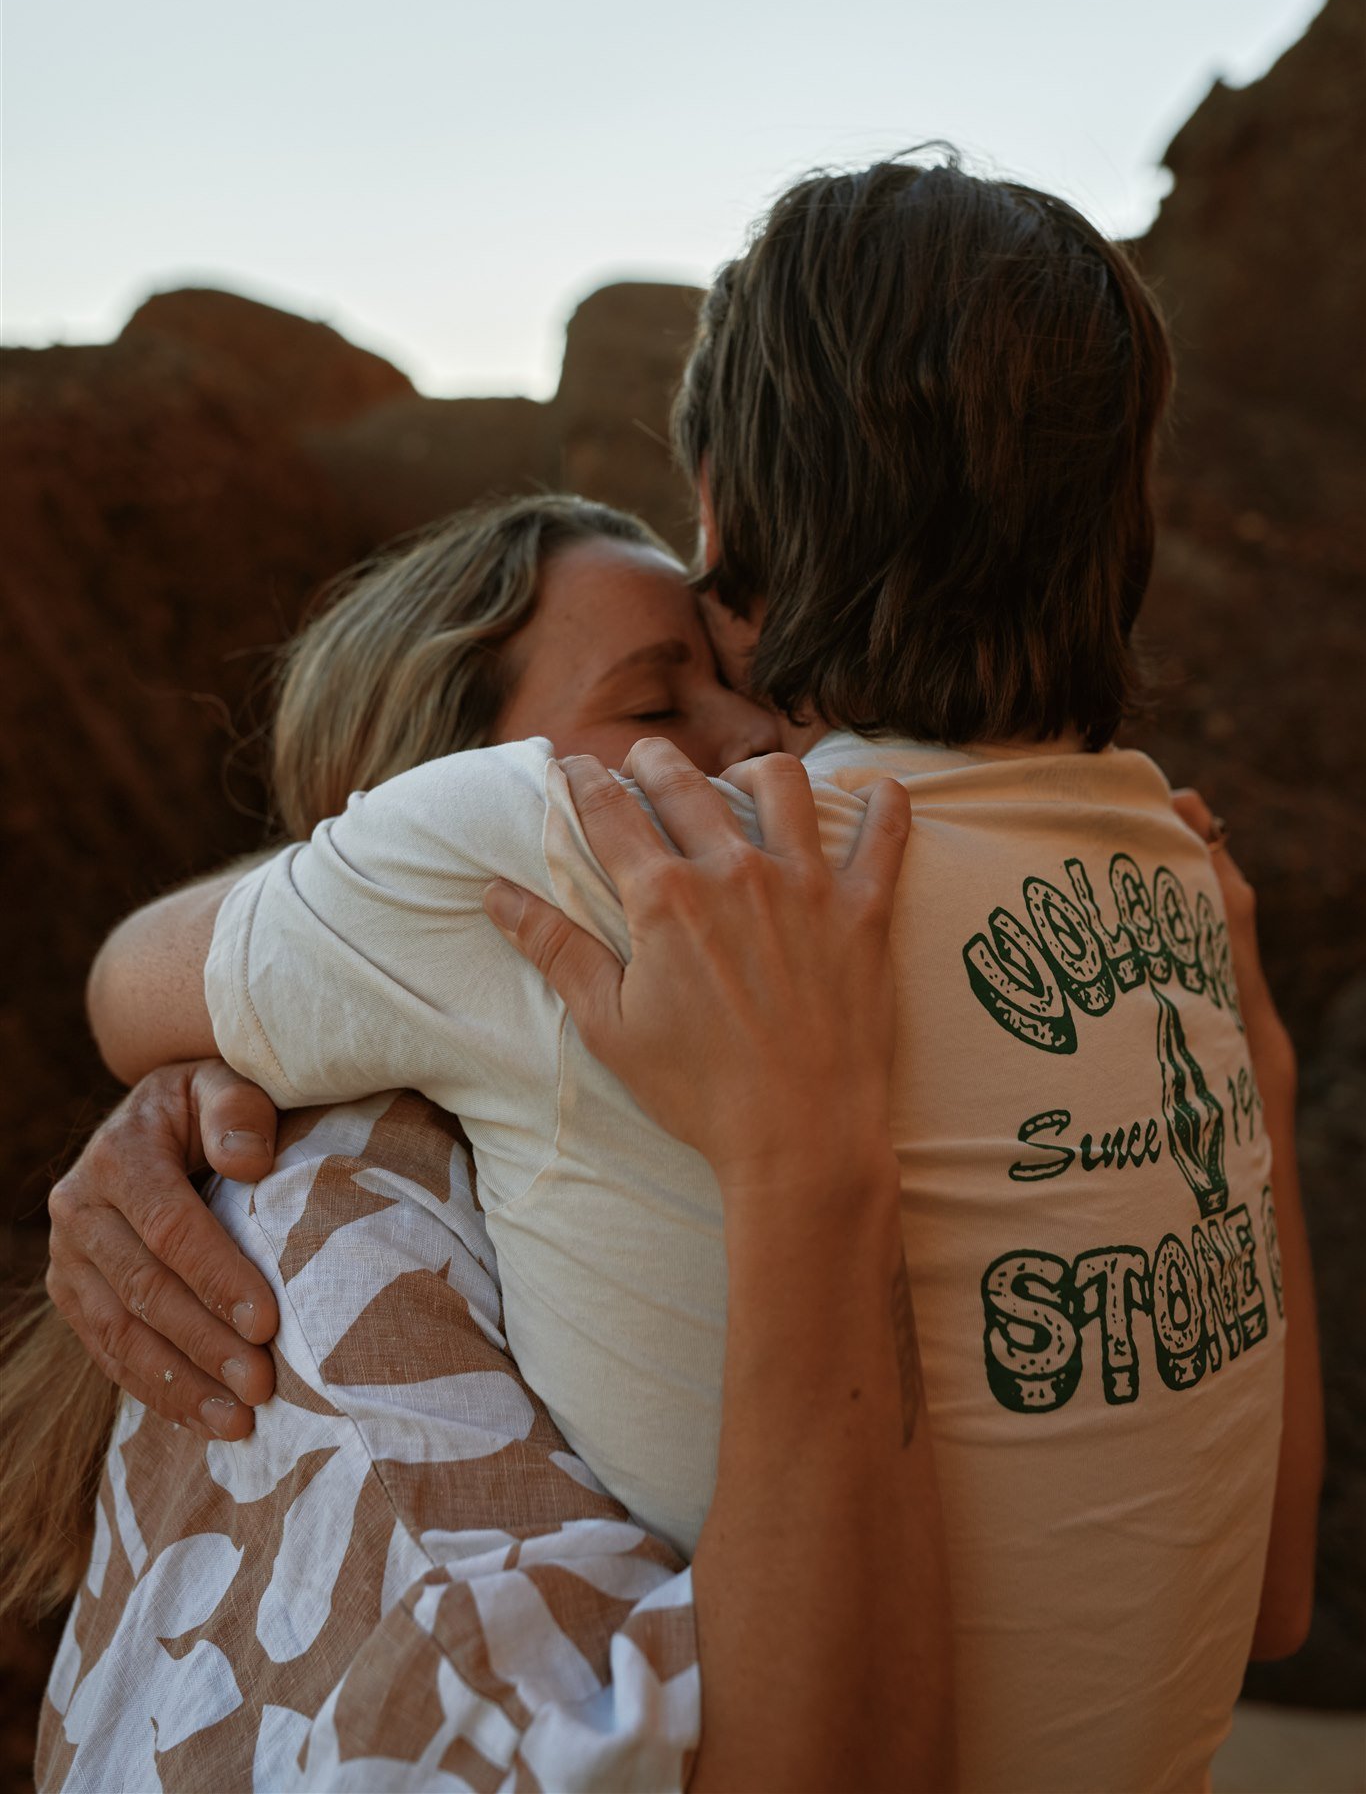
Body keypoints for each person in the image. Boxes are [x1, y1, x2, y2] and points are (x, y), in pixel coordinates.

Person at [48, 152, 1322, 1791]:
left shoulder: (606, 855)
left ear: (721, 504)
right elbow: (1266, 1600)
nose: (741, 754)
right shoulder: (1175, 893)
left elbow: (126, 984)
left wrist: (277, 988)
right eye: (662, 704)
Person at [14, 492, 950, 1790]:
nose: (763, 738)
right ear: (432, 810)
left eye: (752, 684)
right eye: (655, 704)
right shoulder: (334, 1253)